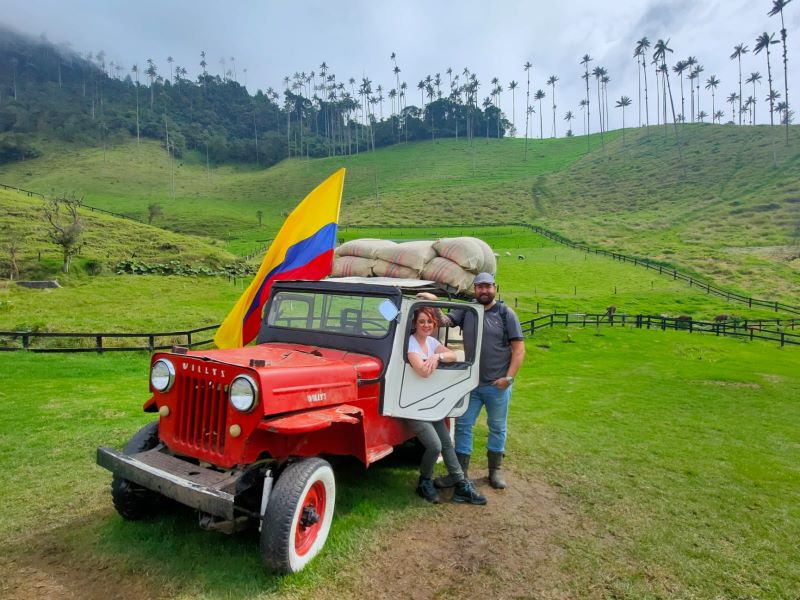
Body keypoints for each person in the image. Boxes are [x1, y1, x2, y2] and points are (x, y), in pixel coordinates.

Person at [419, 272, 525, 490]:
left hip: (497, 385)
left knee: (497, 427)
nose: (484, 290)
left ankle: (494, 472)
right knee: (464, 426)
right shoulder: (468, 310)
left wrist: (509, 378)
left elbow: (519, 349)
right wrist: (434, 302)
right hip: (471, 384)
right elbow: (446, 321)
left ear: (495, 287)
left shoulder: (506, 314)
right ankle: (460, 474)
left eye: (487, 286)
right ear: (474, 289)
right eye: (479, 287)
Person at [404, 306, 487, 505]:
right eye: (422, 321)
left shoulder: (432, 342)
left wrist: (437, 356)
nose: (426, 325)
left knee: (447, 444)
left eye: (430, 322)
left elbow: (453, 355)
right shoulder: (410, 343)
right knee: (435, 446)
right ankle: (424, 481)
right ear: (415, 323)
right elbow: (422, 371)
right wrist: (431, 359)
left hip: (431, 403)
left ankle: (461, 484)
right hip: (411, 405)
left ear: (434, 325)